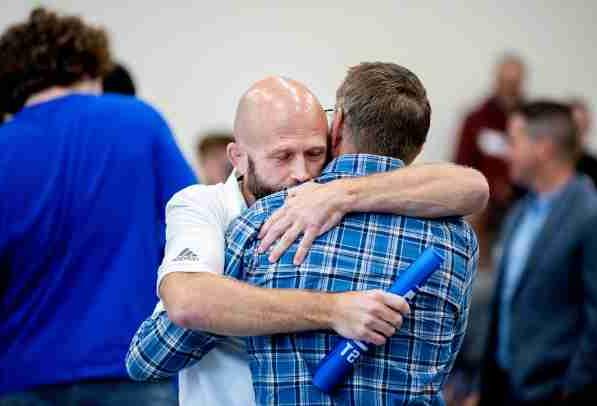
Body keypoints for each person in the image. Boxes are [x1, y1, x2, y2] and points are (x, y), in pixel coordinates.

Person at [127, 68, 483, 404]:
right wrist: (333, 310)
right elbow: (186, 308)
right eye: (282, 156)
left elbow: (472, 186)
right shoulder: (208, 208)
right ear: (237, 157)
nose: (300, 174)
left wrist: (341, 194)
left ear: (334, 133)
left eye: (314, 153)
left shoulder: (332, 198)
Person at [0, 8, 196, 404]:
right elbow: (194, 227)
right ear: (91, 66)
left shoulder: (5, 144)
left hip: (21, 373)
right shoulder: (137, 122)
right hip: (132, 368)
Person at [479, 101, 597, 405]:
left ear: (543, 148)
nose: (508, 152)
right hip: (504, 385)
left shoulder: (591, 214)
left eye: (515, 141)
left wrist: (574, 388)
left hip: (554, 391)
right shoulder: (520, 212)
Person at [455, 54, 526, 267]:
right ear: (496, 81)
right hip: (485, 203)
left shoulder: (530, 122)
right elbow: (462, 163)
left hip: (522, 198)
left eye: (515, 83)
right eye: (506, 82)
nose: (510, 88)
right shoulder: (477, 119)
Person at [571, 98, 597, 188]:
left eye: (583, 126)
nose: (579, 132)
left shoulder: (595, 166)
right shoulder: (548, 164)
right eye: (575, 126)